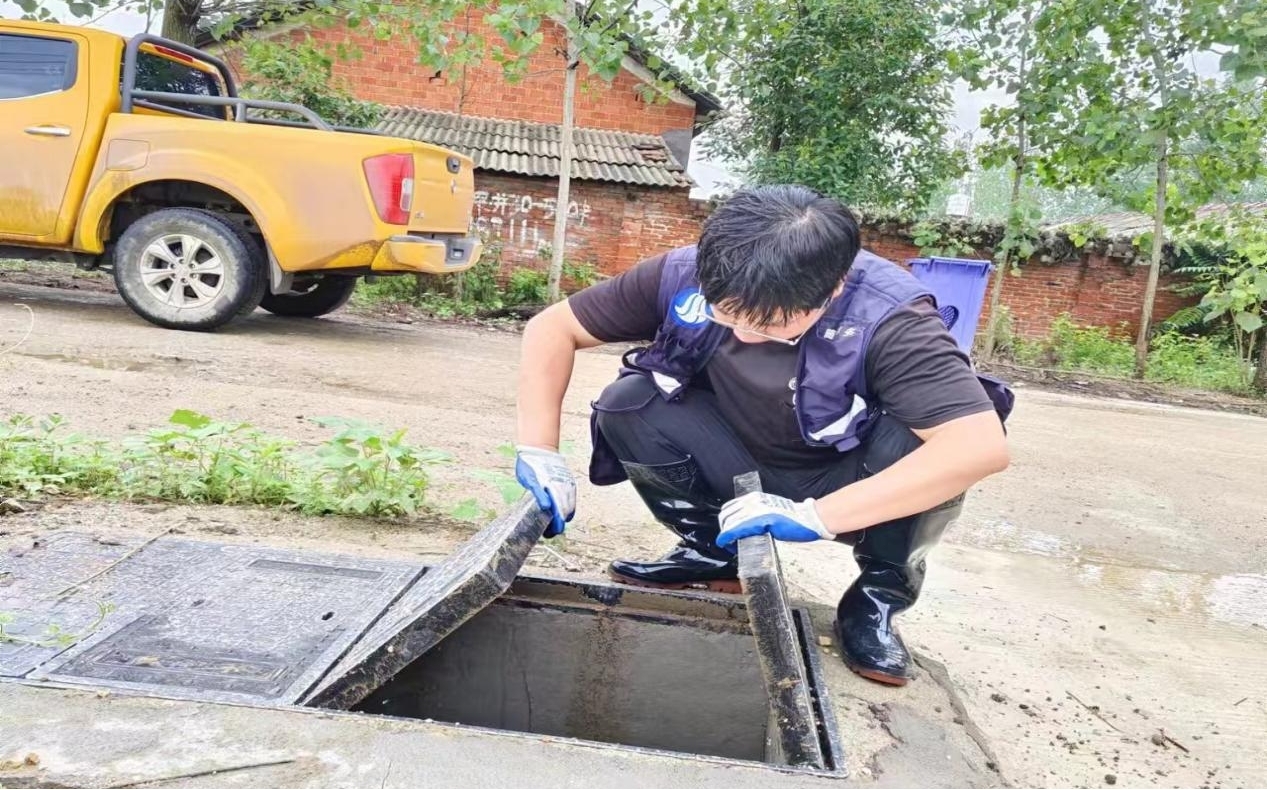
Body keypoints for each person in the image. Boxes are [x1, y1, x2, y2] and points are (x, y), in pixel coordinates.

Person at [513, 185, 1012, 686]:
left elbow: (978, 447)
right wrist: (540, 449)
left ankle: (876, 598)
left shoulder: (890, 317)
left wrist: (817, 516)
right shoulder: (686, 272)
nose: (746, 334)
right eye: (726, 313)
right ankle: (714, 553)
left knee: (926, 438)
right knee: (631, 402)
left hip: (849, 474)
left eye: (771, 323)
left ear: (834, 289)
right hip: (738, 455)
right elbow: (552, 328)